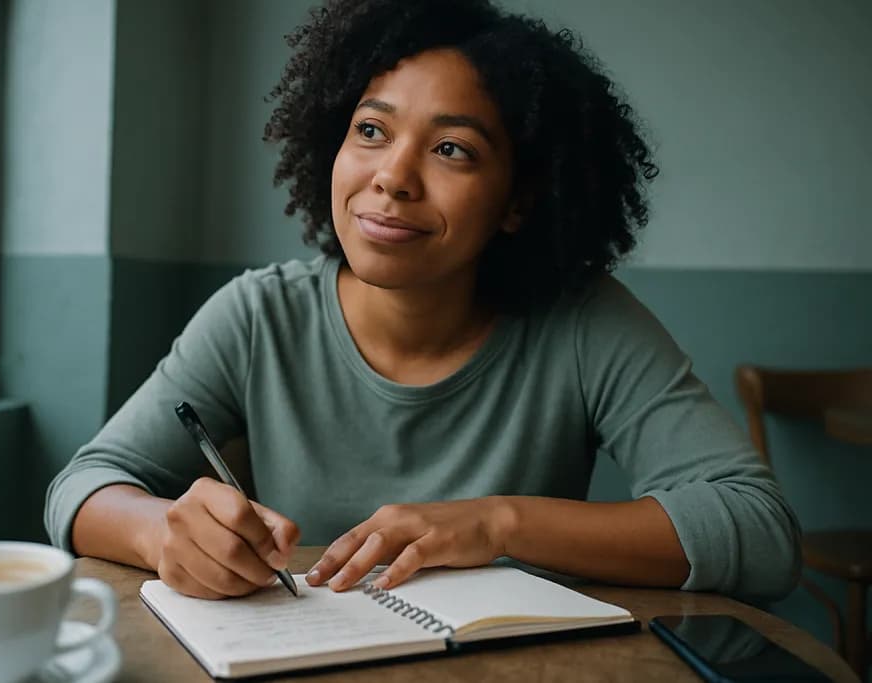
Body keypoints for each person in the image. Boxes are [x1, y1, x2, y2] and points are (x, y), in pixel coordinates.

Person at [46, 0, 801, 602]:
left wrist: (497, 520)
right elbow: (80, 487)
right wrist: (162, 534)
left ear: (517, 200)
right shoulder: (258, 317)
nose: (393, 177)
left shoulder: (584, 321)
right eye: (371, 130)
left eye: (452, 150)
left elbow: (761, 531)